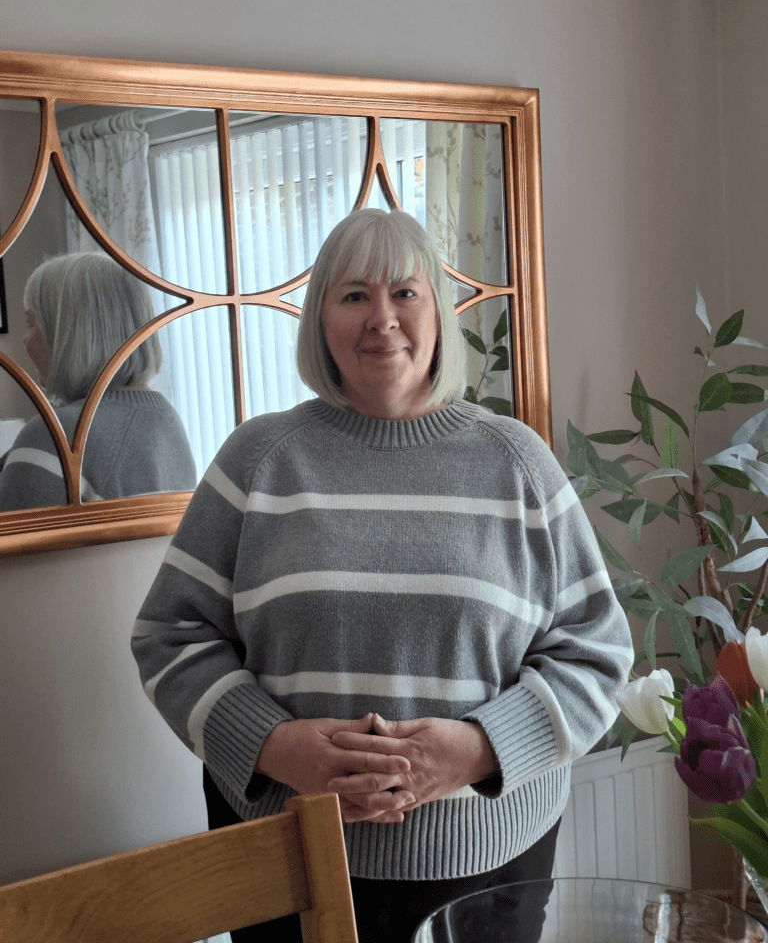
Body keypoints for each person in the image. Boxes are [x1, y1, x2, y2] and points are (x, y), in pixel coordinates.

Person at [131, 209, 633, 943]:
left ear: (437, 313)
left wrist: (476, 750)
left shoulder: (518, 463)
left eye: (405, 292)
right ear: (321, 318)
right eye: (353, 295)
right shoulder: (257, 459)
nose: (382, 318)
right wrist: (277, 746)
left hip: (489, 866)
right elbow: (169, 634)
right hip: (285, 861)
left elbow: (598, 652)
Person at [0, 251, 196, 510]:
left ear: (68, 331)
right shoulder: (167, 420)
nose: (26, 340)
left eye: (31, 323)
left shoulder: (56, 436)